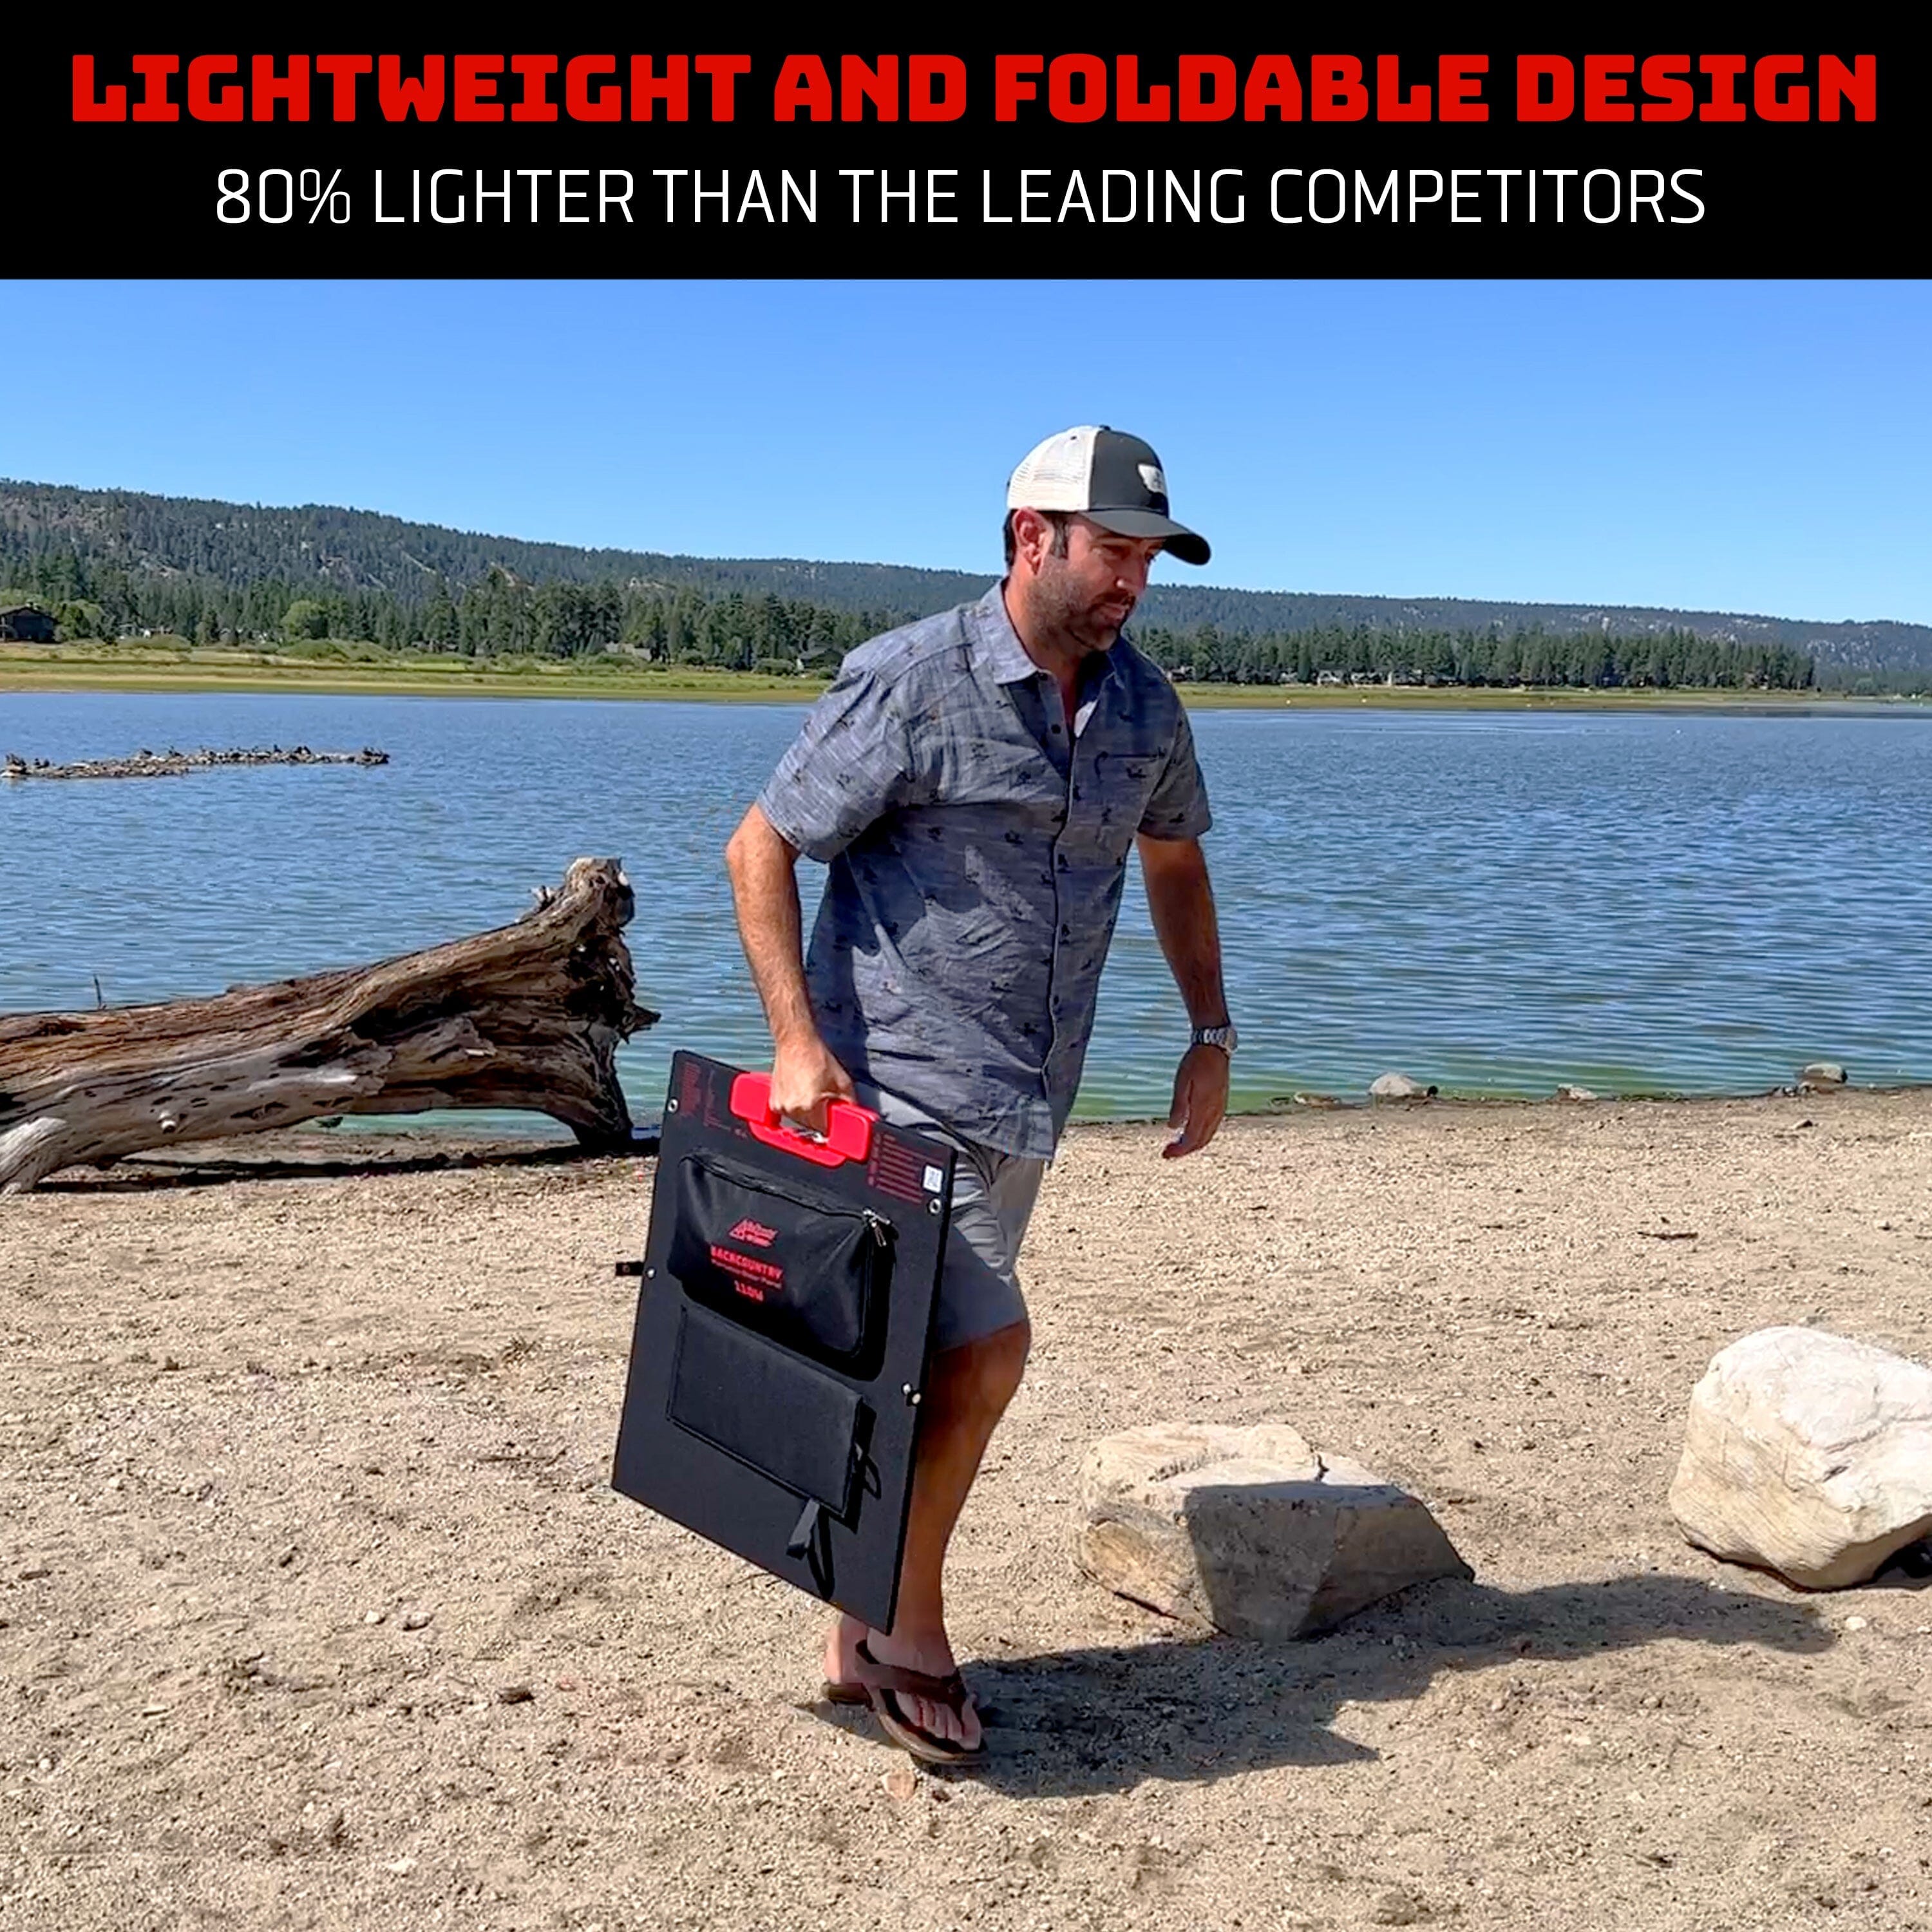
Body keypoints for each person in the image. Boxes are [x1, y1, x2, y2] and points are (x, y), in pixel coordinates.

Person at [723, 425, 1235, 1763]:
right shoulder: (912, 682)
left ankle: (850, 1635)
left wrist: (1210, 1030)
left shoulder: (1144, 709)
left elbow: (1173, 861)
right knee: (986, 1350)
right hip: (889, 1089)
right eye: (1113, 552)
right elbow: (761, 844)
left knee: (916, 1375)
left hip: (1028, 1099)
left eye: (1148, 560)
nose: (1132, 582)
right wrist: (792, 1041)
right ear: (1032, 538)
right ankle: (908, 1625)